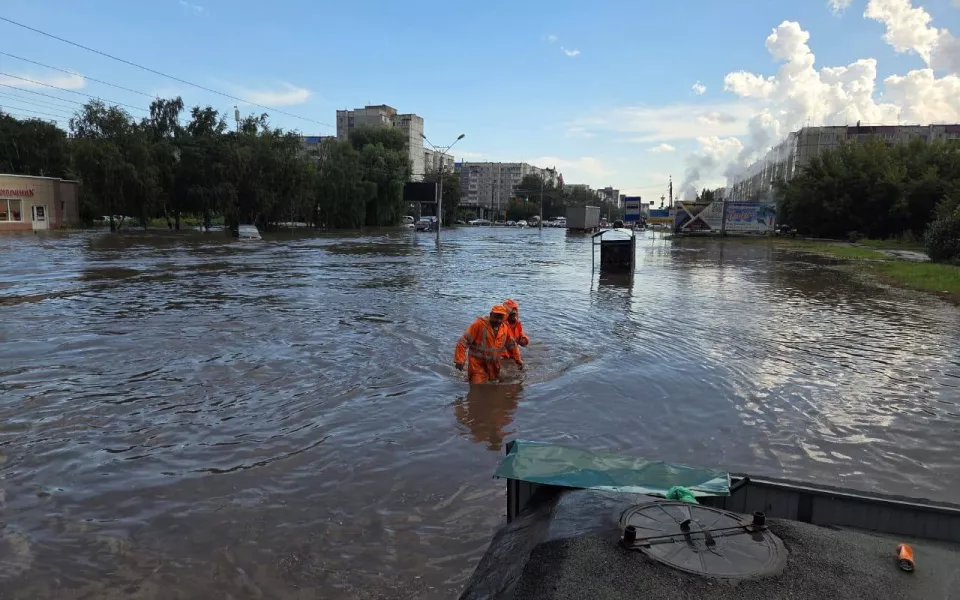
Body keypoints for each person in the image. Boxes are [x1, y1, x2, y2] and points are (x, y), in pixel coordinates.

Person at [455, 305, 523, 384]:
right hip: (477, 365)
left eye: (501, 318)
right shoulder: (479, 325)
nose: (498, 320)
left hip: (494, 365)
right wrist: (459, 360)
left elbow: (512, 346)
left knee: (494, 384)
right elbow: (463, 341)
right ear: (491, 315)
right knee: (477, 386)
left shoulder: (504, 328)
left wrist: (518, 360)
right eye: (496, 317)